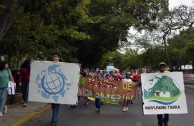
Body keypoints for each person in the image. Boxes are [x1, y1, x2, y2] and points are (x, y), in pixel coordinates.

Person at [50, 53, 61, 126]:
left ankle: (54, 121)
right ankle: (55, 118)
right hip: (51, 89)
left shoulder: (62, 66)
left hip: (59, 89)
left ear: (59, 58)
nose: (54, 58)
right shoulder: (49, 65)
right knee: (53, 106)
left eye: (56, 56)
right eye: (53, 56)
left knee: (56, 105)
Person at [157, 62, 169, 126]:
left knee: (167, 109)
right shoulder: (156, 74)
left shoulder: (169, 74)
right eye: (161, 67)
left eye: (163, 66)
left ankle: (166, 121)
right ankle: (160, 121)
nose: (162, 68)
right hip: (158, 93)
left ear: (165, 67)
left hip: (166, 93)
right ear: (159, 68)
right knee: (159, 109)